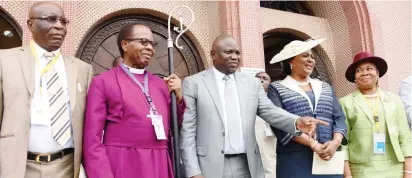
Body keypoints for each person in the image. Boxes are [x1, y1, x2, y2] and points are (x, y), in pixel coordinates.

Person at [180, 35, 329, 178]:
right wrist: (193, 171)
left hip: (247, 164)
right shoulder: (194, 83)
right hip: (209, 166)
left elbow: (269, 110)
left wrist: (296, 121)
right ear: (213, 54)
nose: (235, 56)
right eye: (228, 52)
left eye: (237, 53)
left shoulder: (251, 83)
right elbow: (188, 130)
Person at [0, 2, 93, 178]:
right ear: (31, 24)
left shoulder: (83, 69)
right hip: (18, 167)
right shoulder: (5, 61)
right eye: (50, 19)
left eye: (63, 21)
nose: (59, 26)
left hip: (66, 167)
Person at [82, 24, 186, 178]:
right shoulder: (103, 82)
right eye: (144, 42)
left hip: (158, 163)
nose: (150, 48)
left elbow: (173, 125)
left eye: (152, 43)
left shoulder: (160, 84)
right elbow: (92, 139)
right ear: (125, 45)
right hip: (122, 163)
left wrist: (178, 98)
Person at [268, 38, 347, 178]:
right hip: (294, 158)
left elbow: (339, 117)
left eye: (312, 56)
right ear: (291, 61)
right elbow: (278, 123)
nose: (311, 60)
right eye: (305, 55)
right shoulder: (277, 88)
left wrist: (336, 142)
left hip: (328, 155)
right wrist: (313, 144)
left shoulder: (325, 87)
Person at [340, 52, 412, 178]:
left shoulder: (394, 100)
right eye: (359, 70)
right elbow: (343, 142)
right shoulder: (345, 103)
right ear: (354, 77)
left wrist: (408, 172)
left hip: (395, 167)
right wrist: (348, 175)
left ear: (377, 74)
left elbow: (405, 136)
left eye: (369, 69)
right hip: (361, 170)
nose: (365, 73)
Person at [255, 71, 277, 178]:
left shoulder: (274, 100)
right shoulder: (244, 98)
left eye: (265, 78)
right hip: (249, 140)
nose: (261, 79)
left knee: (269, 166)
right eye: (258, 77)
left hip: (268, 139)